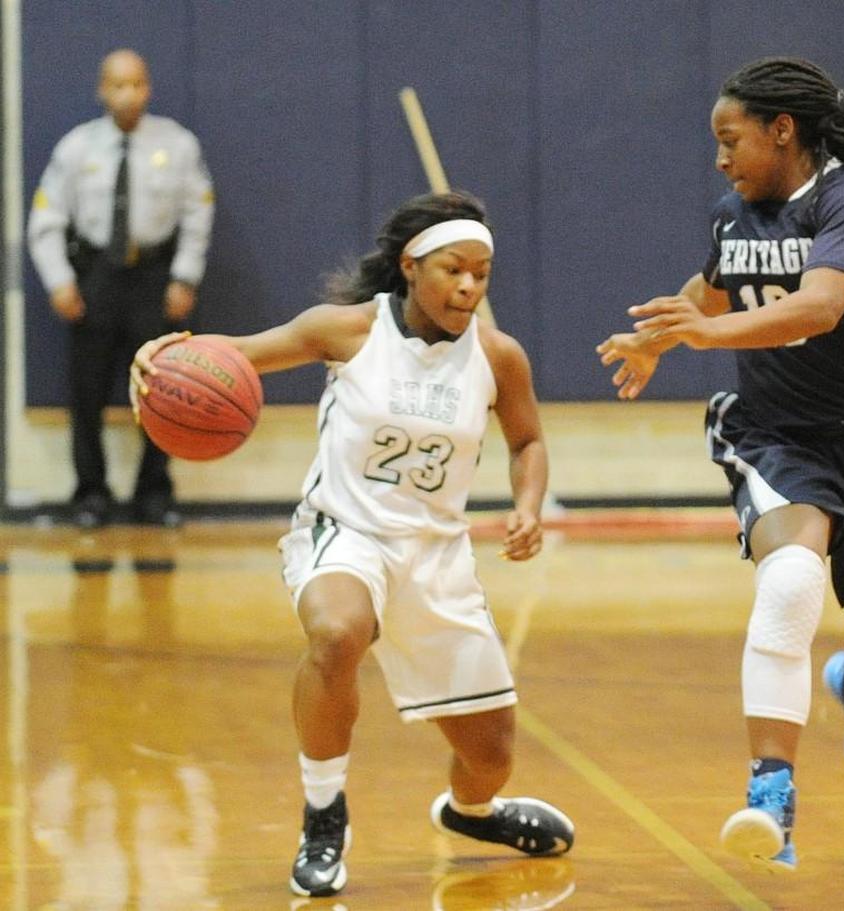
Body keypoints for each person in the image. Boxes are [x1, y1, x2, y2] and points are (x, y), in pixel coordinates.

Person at [130, 191, 574, 898]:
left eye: (481, 273)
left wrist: (528, 505)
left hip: (437, 558)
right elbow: (232, 358)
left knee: (490, 755)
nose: (468, 286)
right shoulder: (348, 330)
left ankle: (472, 812)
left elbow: (527, 440)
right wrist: (161, 356)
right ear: (410, 266)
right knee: (338, 634)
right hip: (345, 530)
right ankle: (324, 815)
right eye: (454, 269)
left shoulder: (498, 356)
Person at [597, 56, 844, 871]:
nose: (720, 159)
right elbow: (716, 288)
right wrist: (660, 336)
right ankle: (772, 796)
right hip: (777, 435)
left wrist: (698, 334)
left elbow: (820, 306)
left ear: (781, 130)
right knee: (789, 584)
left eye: (731, 140)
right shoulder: (735, 213)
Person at [28, 48, 215, 528]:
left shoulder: (177, 145)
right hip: (95, 277)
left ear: (148, 88)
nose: (127, 93)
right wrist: (60, 281)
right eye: (117, 84)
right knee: (86, 392)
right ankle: (90, 495)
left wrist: (185, 275)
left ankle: (154, 495)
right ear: (101, 90)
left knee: (162, 391)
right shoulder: (76, 148)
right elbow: (46, 219)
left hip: (153, 277)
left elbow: (198, 213)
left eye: (135, 83)